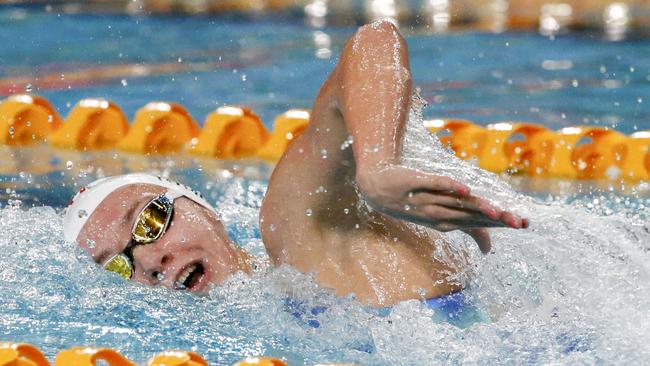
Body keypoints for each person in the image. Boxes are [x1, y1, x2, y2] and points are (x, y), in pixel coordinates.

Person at [64, 21, 528, 310]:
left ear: (204, 208)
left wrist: (378, 171)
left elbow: (373, 43)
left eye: (151, 219)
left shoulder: (300, 241)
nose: (148, 259)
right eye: (118, 267)